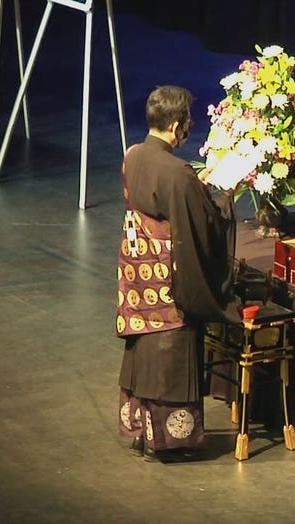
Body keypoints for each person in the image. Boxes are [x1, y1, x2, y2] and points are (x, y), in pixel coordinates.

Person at [116, 86, 238, 463]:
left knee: (145, 344)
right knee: (170, 346)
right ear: (176, 126)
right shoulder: (178, 172)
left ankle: (141, 427)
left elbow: (163, 198)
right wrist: (224, 201)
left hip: (139, 273)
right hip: (168, 276)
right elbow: (200, 226)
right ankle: (171, 439)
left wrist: (196, 187)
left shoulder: (133, 155)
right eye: (187, 123)